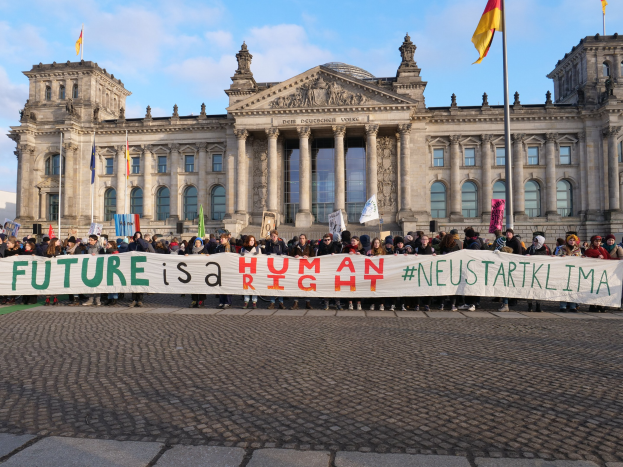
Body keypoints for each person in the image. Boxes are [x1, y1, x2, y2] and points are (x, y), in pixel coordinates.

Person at [556, 234, 582, 312]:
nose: (572, 241)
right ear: (568, 241)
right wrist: (561, 257)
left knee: (573, 289)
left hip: (574, 272)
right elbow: (557, 256)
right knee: (564, 288)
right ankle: (563, 306)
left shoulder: (578, 250)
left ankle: (572, 306)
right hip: (564, 271)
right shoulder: (562, 248)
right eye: (570, 240)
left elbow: (580, 259)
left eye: (573, 240)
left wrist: (582, 258)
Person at [288, 233, 315, 310]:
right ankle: (295, 302)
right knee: (297, 285)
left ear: (305, 239)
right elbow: (290, 256)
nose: (301, 240)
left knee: (307, 285)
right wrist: (294, 257)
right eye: (300, 238)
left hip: (307, 269)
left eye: (303, 238)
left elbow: (314, 257)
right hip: (298, 270)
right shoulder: (296, 247)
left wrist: (308, 257)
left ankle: (308, 302)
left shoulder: (309, 247)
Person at [317, 233, 343, 311]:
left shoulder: (335, 246)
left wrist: (335, 255)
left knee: (336, 287)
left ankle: (337, 303)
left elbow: (341, 256)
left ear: (331, 240)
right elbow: (318, 258)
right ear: (323, 240)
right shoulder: (321, 248)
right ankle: (326, 303)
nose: (327, 241)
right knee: (326, 287)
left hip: (335, 269)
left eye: (328, 240)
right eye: (325, 240)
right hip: (325, 270)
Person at [265, 230, 288, 309]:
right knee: (272, 285)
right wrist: (267, 253)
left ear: (277, 236)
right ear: (270, 236)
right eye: (272, 236)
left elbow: (285, 252)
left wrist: (281, 254)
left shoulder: (281, 243)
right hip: (271, 266)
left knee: (280, 285)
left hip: (280, 266)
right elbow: (265, 252)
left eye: (275, 236)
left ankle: (281, 302)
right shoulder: (268, 243)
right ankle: (272, 302)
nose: (273, 237)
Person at [184, 237, 208, 308]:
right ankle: (194, 299)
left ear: (201, 243)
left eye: (199, 242)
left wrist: (207, 256)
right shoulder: (191, 250)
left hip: (201, 270)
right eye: (196, 242)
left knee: (201, 284)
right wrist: (186, 255)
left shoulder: (204, 250)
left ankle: (201, 300)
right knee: (193, 284)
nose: (197, 244)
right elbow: (186, 256)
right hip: (193, 270)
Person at [416, 235, 437, 311]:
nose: (424, 241)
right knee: (417, 288)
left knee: (428, 288)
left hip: (428, 272)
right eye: (423, 239)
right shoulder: (417, 249)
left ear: (428, 241)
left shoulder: (432, 249)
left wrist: (435, 256)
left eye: (426, 239)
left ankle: (427, 304)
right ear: (421, 241)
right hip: (419, 272)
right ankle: (417, 304)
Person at [82, 235, 104, 306]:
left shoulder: (100, 248)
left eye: (91, 240)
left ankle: (98, 300)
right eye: (89, 240)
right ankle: (90, 299)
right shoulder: (87, 248)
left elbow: (104, 257)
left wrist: (96, 256)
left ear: (95, 241)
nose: (90, 241)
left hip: (98, 267)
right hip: (90, 267)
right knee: (90, 284)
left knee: (97, 284)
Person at [342, 236, 363, 310]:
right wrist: (347, 254)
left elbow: (365, 257)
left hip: (358, 271)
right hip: (349, 271)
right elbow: (341, 256)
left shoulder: (361, 249)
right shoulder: (347, 248)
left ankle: (358, 303)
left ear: (358, 242)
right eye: (352, 241)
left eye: (354, 241)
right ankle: (350, 303)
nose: (353, 243)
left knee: (358, 287)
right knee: (350, 287)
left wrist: (360, 255)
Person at [240, 235, 261, 309]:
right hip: (246, 270)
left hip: (254, 270)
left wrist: (257, 255)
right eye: (251, 240)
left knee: (253, 286)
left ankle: (254, 301)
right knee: (246, 286)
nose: (252, 242)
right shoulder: (243, 249)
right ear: (248, 241)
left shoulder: (257, 249)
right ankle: (246, 301)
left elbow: (261, 259)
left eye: (253, 240)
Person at [367, 238, 388, 311]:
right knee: (373, 289)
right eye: (375, 243)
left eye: (378, 243)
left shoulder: (383, 252)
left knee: (381, 289)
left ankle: (381, 304)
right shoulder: (369, 252)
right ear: (373, 244)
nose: (376, 244)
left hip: (381, 273)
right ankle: (372, 303)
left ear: (380, 244)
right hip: (372, 274)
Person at [42, 238, 61, 306]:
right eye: (58, 241)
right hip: (49, 268)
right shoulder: (48, 249)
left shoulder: (59, 249)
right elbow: (43, 257)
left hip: (56, 269)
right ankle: (48, 298)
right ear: (54, 242)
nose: (59, 242)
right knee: (48, 284)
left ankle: (55, 298)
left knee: (55, 284)